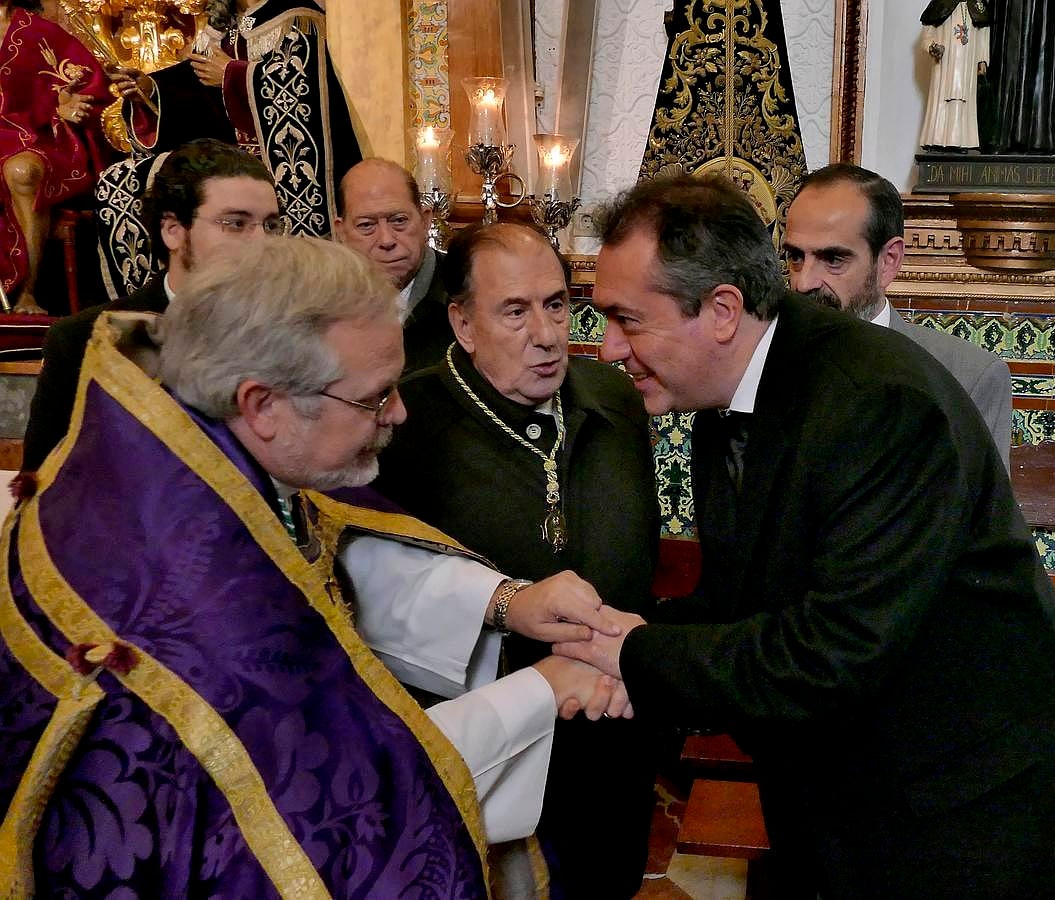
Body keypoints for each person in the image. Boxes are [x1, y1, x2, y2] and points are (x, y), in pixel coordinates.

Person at [554, 173, 1055, 898]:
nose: (609, 349)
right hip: (856, 811)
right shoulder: (728, 393)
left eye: (627, 319)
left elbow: (833, 653)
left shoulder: (878, 403)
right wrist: (619, 638)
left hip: (974, 826)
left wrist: (637, 654)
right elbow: (744, 602)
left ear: (721, 310)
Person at [0, 235, 631, 896]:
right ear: (264, 405)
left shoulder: (196, 447)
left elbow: (332, 556)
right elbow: (348, 806)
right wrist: (540, 692)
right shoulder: (205, 610)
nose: (400, 411)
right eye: (374, 397)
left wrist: (506, 602)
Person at [372, 222, 662, 898]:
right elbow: (390, 603)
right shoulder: (406, 427)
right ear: (463, 323)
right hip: (495, 755)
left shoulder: (614, 399)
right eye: (515, 311)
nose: (547, 333)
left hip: (614, 746)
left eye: (556, 304)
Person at [21, 139, 281, 472]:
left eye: (271, 225)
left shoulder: (297, 332)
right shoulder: (83, 340)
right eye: (235, 223)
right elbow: (44, 488)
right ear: (173, 231)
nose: (261, 242)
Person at [96, 0, 359, 295]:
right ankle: (160, 299)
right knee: (120, 179)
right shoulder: (219, 27)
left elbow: (300, 89)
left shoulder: (296, 16)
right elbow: (191, 89)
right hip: (224, 155)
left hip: (277, 161)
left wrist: (232, 76)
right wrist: (149, 90)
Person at [784, 163, 1012, 465]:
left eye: (833, 259)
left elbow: (984, 509)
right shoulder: (765, 365)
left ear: (888, 262)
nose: (803, 282)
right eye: (796, 257)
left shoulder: (968, 377)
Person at [0, 0, 110, 313]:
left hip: (32, 140)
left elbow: (90, 88)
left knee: (23, 171)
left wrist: (60, 108)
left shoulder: (40, 34)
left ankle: (26, 292)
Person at [334, 158, 454, 373]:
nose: (386, 240)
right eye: (366, 225)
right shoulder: (321, 302)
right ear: (341, 232)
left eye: (399, 221)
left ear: (425, 221)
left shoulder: (464, 290)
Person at [981, 0, 1055, 154]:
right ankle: (1003, 135)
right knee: (1008, 63)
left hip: (1042, 10)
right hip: (1008, 12)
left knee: (1038, 63)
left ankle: (1037, 137)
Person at [918, 0, 991, 151]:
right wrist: (932, 46)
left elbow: (983, 33)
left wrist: (982, 59)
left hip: (967, 64)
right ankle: (937, 139)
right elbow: (927, 34)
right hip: (944, 64)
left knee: (964, 100)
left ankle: (962, 141)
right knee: (942, 101)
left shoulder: (976, 5)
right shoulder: (941, 3)